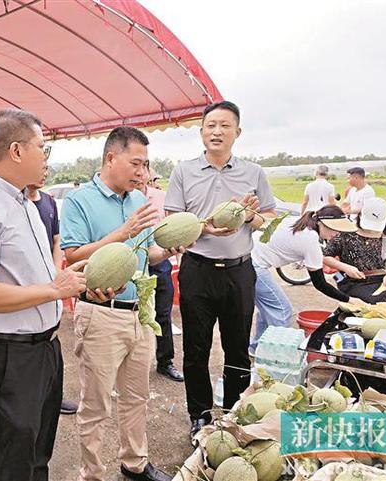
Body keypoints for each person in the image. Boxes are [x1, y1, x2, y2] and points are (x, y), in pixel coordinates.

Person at [0, 108, 87, 481]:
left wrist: (64, 279)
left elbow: (29, 276)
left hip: (42, 350)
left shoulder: (25, 203)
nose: (47, 158)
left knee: (37, 457)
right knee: (11, 466)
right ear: (16, 150)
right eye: (42, 147)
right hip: (6, 357)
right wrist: (53, 289)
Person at [61, 126, 185, 481]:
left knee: (136, 397)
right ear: (111, 157)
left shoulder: (138, 202)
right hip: (100, 314)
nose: (142, 173)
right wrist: (123, 232)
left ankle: (134, 464)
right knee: (96, 404)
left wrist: (170, 250)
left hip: (139, 315)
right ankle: (92, 474)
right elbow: (73, 257)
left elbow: (148, 254)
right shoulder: (79, 201)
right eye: (136, 163)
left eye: (146, 166)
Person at [163, 101, 276, 436]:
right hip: (197, 270)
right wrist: (203, 228)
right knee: (196, 347)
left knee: (237, 346)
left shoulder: (254, 173)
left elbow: (267, 220)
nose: (216, 131)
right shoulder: (183, 171)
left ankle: (235, 411)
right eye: (210, 125)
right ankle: (199, 413)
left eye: (224, 126)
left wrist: (249, 216)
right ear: (201, 132)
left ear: (236, 132)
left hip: (239, 272)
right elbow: (171, 223)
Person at [249, 206, 362, 355]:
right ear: (321, 223)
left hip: (248, 256)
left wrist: (345, 268)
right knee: (282, 311)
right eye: (333, 229)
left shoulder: (303, 223)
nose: (335, 234)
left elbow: (314, 255)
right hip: (254, 265)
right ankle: (279, 358)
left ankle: (256, 348)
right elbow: (320, 284)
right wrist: (349, 299)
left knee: (269, 308)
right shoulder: (310, 239)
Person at [26, 169, 79, 415]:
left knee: (51, 339)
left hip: (51, 278)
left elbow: (56, 240)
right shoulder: (19, 203)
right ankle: (37, 399)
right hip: (31, 284)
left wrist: (55, 270)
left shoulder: (48, 201)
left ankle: (53, 397)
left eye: (47, 167)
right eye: (41, 165)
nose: (44, 171)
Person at [135, 167, 184, 382]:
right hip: (134, 264)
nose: (139, 175)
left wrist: (179, 263)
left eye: (143, 169)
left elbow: (176, 228)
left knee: (163, 314)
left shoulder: (162, 198)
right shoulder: (123, 197)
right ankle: (133, 365)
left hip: (161, 261)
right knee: (134, 315)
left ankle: (165, 362)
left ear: (149, 174)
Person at [323, 197, 386, 306]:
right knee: (371, 305)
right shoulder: (346, 232)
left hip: (379, 281)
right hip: (351, 282)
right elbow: (325, 256)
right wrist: (346, 268)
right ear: (360, 215)